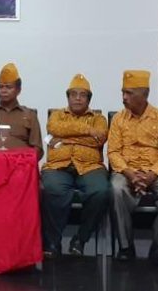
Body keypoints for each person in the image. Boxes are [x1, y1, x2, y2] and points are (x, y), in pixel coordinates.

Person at [108, 70, 158, 266]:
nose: (124, 97)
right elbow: (113, 153)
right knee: (115, 188)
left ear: (145, 94)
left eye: (129, 93)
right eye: (123, 92)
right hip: (127, 171)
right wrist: (129, 173)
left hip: (157, 172)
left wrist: (151, 174)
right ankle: (125, 247)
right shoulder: (118, 119)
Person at [40, 74, 109, 258]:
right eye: (73, 94)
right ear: (68, 97)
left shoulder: (99, 119)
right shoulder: (57, 115)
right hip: (58, 165)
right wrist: (87, 130)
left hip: (90, 166)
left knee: (101, 191)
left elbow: (100, 138)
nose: (77, 98)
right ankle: (52, 242)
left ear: (89, 99)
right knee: (52, 189)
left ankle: (80, 239)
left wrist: (66, 138)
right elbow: (54, 129)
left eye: (82, 95)